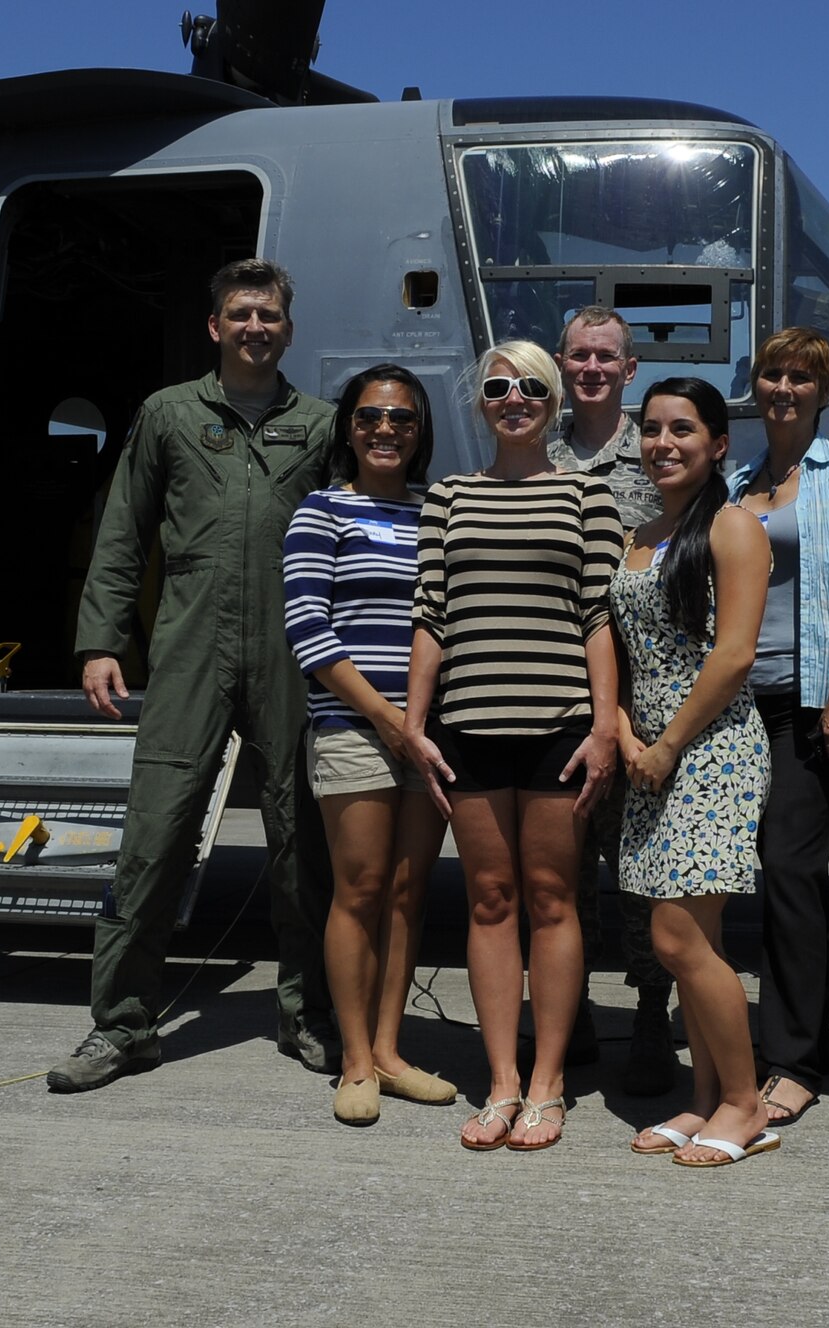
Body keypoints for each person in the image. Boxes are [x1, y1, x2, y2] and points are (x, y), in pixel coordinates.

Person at [50, 258, 339, 1092]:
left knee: (301, 843)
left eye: (271, 315)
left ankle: (306, 1013)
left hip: (291, 650)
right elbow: (123, 531)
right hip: (189, 649)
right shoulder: (169, 415)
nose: (256, 327)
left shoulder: (318, 425)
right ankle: (123, 1026)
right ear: (216, 326)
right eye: (241, 314)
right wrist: (101, 642)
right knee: (156, 837)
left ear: (288, 329)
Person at [403, 340, 624, 1151]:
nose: (514, 397)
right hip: (468, 724)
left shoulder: (587, 496)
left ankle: (549, 1082)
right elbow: (431, 613)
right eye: (498, 387)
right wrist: (413, 725)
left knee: (552, 899)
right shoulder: (450, 498)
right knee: (489, 903)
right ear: (482, 404)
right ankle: (500, 1081)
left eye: (531, 385)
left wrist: (605, 726)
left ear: (554, 399)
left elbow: (600, 618)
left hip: (560, 726)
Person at [727, 327, 829, 1128]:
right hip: (735, 703)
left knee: (790, 872)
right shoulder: (736, 483)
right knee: (747, 875)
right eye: (771, 374)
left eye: (800, 377)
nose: (783, 387)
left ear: (822, 391)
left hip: (806, 703)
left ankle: (794, 1057)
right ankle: (770, 1039)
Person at [611, 379, 776, 1167]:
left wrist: (669, 741)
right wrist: (619, 727)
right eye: (650, 429)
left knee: (674, 937)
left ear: (718, 445)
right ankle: (708, 1097)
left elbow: (735, 653)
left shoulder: (734, 527)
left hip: (709, 748)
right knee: (698, 936)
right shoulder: (641, 534)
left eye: (683, 429)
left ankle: (746, 1103)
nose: (662, 443)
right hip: (649, 753)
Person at [283, 365, 453, 1125]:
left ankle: (390, 1051)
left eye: (403, 419)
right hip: (356, 729)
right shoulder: (321, 513)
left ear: (420, 433)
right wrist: (391, 721)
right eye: (371, 417)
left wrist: (423, 726)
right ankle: (353, 1061)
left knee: (408, 896)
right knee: (358, 890)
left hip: (429, 735)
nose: (386, 429)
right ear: (348, 427)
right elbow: (309, 633)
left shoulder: (438, 511)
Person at [548, 306, 678, 1093]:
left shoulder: (657, 451)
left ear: (630, 370)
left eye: (607, 358)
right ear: (562, 363)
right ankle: (576, 1015)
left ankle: (652, 1013)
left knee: (638, 865)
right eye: (579, 356)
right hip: (557, 688)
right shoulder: (534, 448)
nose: (592, 368)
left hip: (641, 694)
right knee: (561, 866)